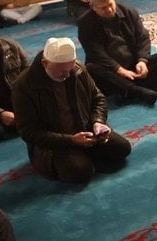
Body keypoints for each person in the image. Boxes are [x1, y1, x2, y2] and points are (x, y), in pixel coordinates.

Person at [12, 37, 133, 183]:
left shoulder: (77, 70)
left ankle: (84, 154)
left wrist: (98, 122)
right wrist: (71, 140)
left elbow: (98, 98)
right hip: (53, 144)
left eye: (70, 70)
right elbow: (28, 131)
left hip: (86, 131)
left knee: (122, 148)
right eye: (62, 71)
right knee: (80, 171)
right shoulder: (24, 86)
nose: (68, 75)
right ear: (45, 63)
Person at [77, 0, 157, 106]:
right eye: (103, 8)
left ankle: (126, 90)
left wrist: (142, 61)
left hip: (133, 65)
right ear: (92, 7)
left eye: (110, 4)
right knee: (91, 69)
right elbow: (95, 53)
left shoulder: (129, 12)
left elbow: (142, 38)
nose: (109, 10)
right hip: (110, 70)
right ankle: (136, 90)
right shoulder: (85, 23)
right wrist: (119, 70)